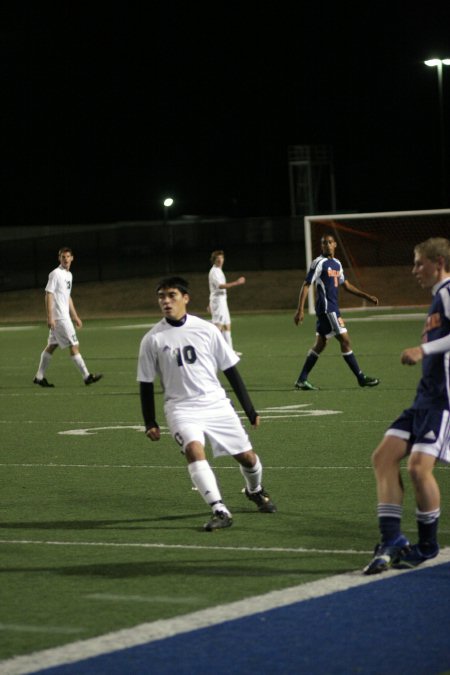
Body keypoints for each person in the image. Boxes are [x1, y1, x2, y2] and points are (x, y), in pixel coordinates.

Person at [137, 275, 276, 531]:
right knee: (193, 449)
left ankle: (254, 490)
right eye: (161, 297)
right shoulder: (152, 339)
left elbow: (231, 370)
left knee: (247, 457)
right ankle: (220, 509)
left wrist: (250, 409)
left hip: (216, 404)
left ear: (185, 298)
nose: (166, 301)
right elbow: (145, 382)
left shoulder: (206, 329)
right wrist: (150, 421)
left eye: (171, 296)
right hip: (180, 408)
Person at [363, 237, 450, 574]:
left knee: (417, 468)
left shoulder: (447, 291)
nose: (414, 270)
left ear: (438, 262)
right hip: (424, 399)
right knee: (383, 457)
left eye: (419, 263)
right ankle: (392, 538)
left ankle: (427, 546)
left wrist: (422, 350)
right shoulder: (436, 299)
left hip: (443, 402)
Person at [293, 232, 380, 390]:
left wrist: (366, 296)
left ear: (335, 245)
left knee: (320, 344)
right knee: (346, 341)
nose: (327, 244)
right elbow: (306, 285)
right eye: (324, 242)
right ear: (321, 246)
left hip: (331, 309)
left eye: (329, 242)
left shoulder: (337, 264)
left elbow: (345, 285)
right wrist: (300, 309)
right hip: (328, 309)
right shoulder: (318, 263)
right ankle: (360, 377)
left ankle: (301, 379)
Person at [33, 247, 103, 388]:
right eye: (63, 257)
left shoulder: (69, 275)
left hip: (64, 317)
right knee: (74, 345)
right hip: (60, 318)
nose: (66, 259)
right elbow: (48, 294)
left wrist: (75, 316)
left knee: (52, 346)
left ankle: (39, 377)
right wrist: (50, 317)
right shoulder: (55, 274)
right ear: (59, 258)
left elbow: (67, 297)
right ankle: (87, 377)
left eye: (68, 256)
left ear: (72, 258)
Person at [208, 249, 245, 354]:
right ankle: (211, 350)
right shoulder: (214, 271)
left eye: (221, 258)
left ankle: (229, 351)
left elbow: (212, 288)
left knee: (227, 325)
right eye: (217, 258)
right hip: (218, 302)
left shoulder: (219, 270)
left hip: (222, 301)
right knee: (218, 326)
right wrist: (237, 283)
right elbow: (220, 286)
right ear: (213, 260)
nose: (220, 260)